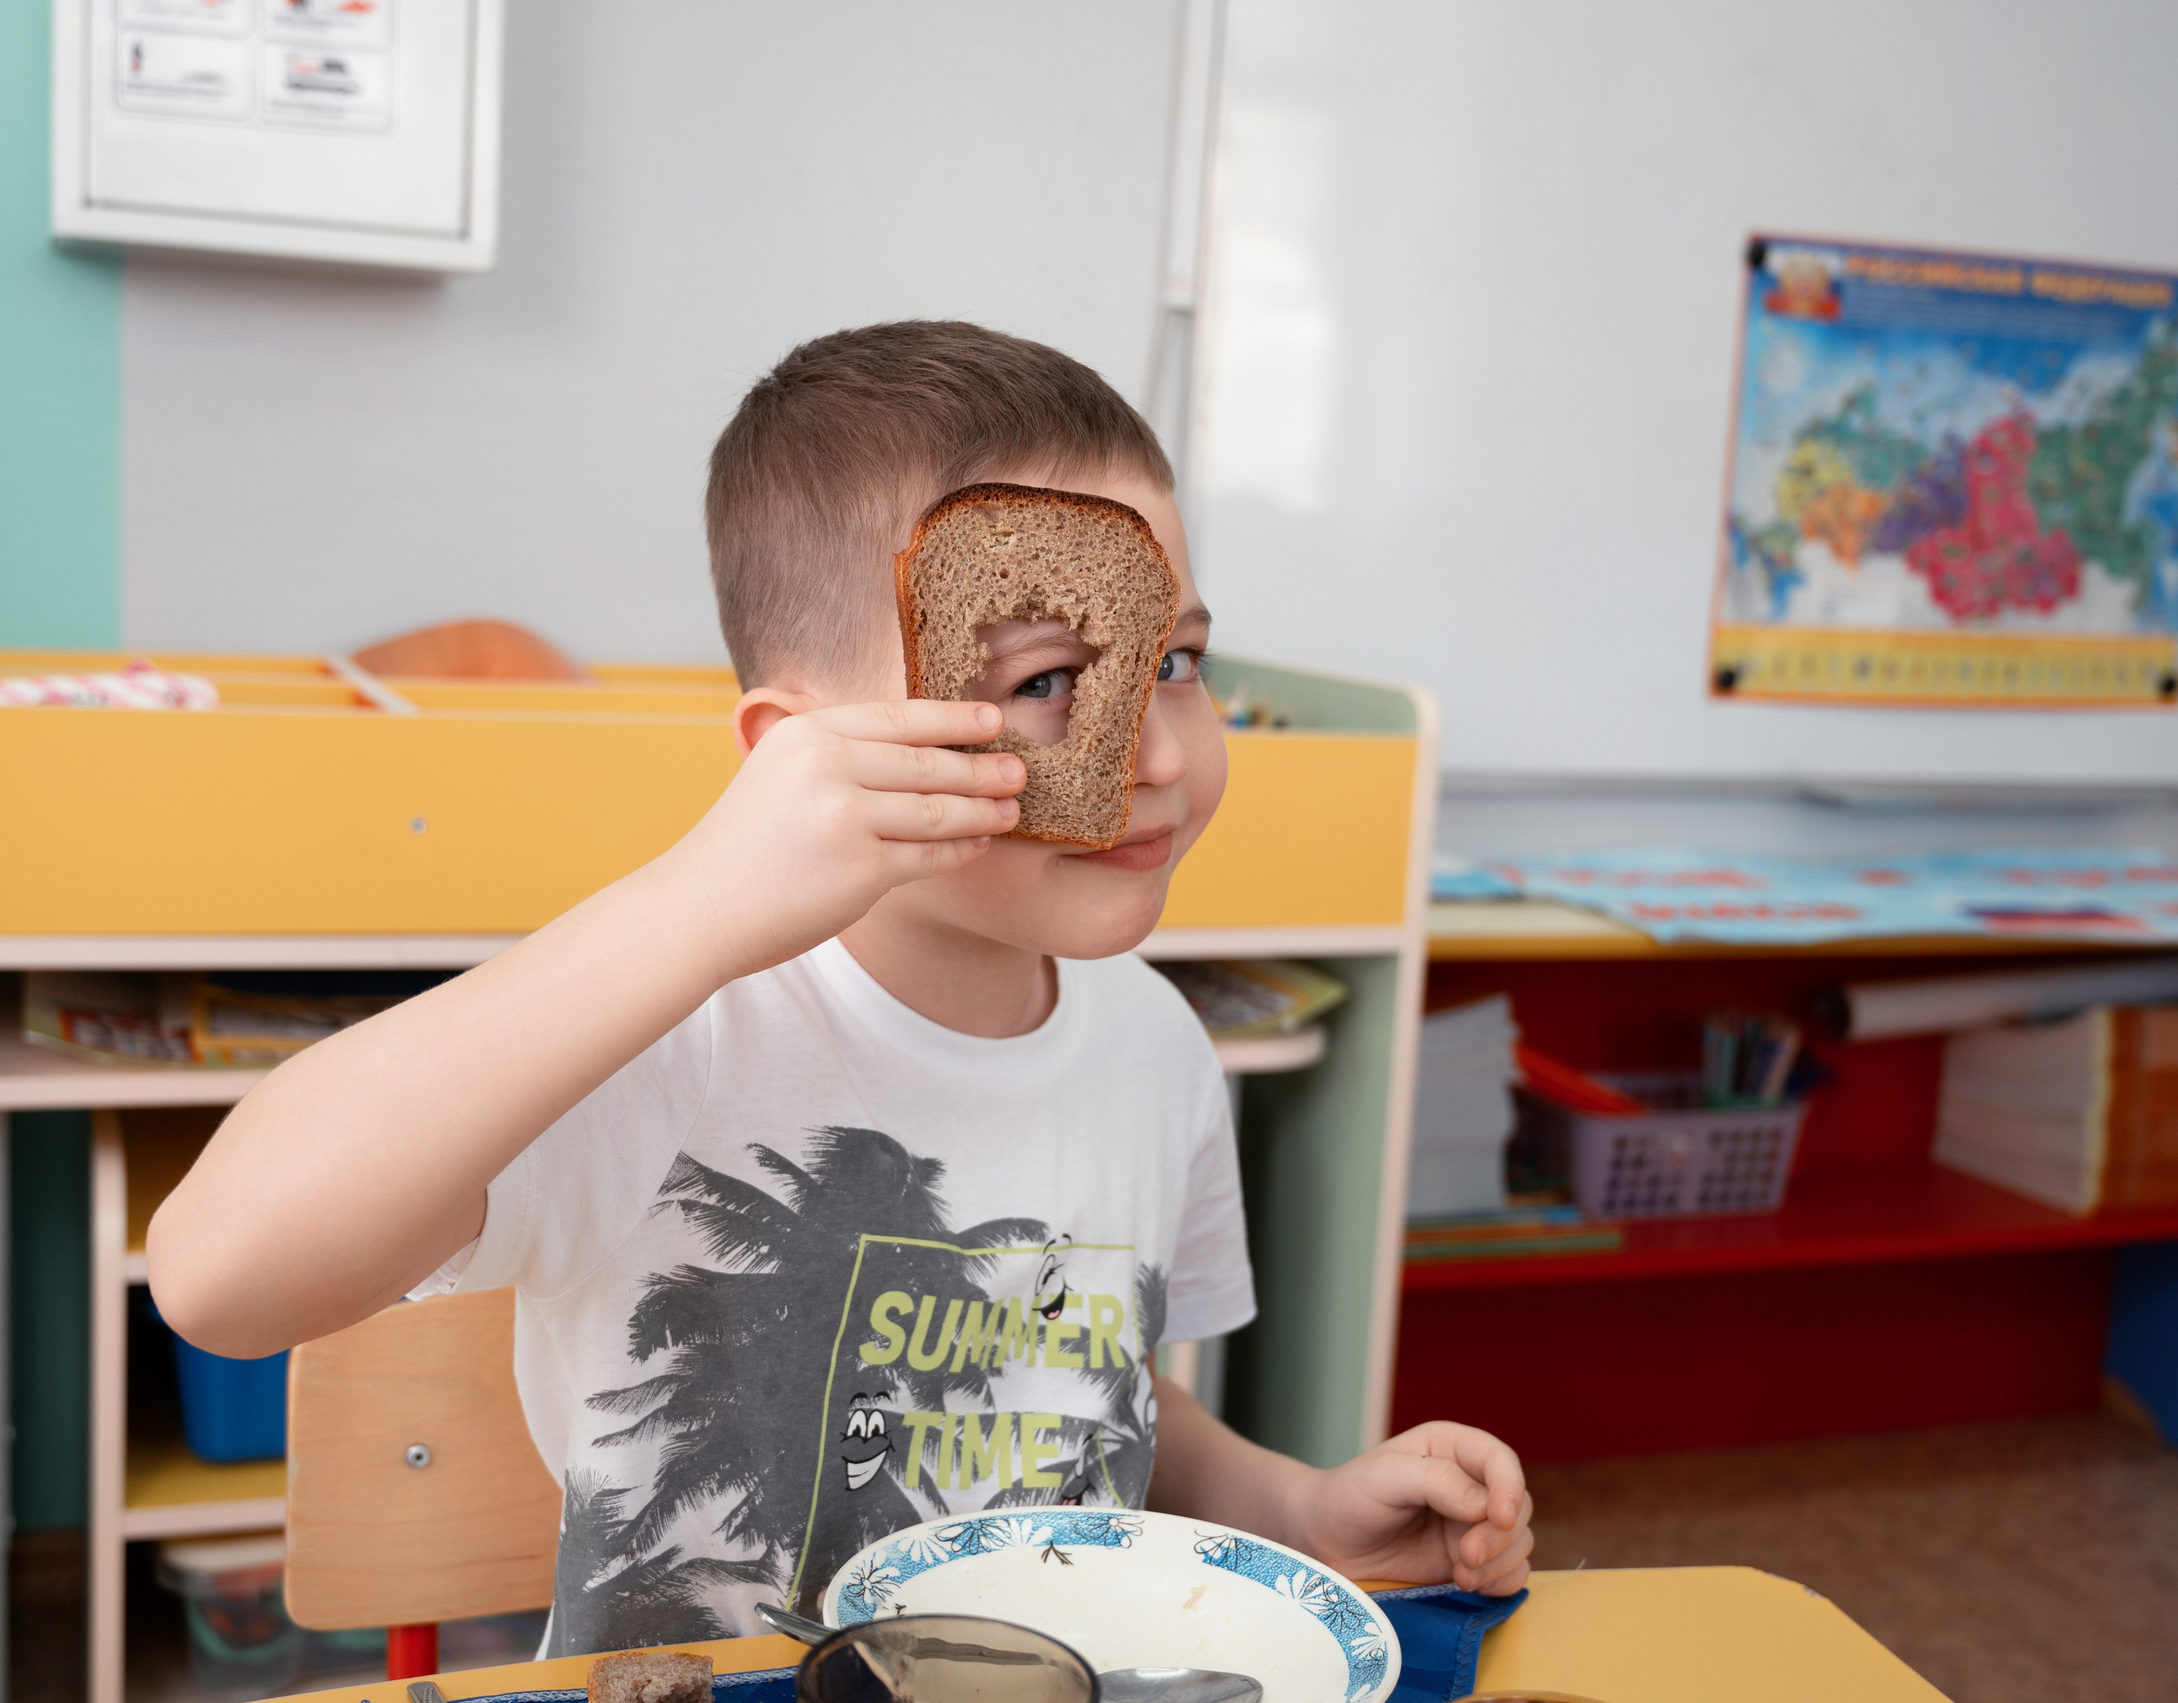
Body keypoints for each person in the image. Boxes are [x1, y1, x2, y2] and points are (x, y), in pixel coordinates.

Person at [149, 321, 1535, 1654]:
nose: (1159, 753)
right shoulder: (670, 1034)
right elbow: (221, 1280)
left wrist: (1296, 1508)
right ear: (793, 757)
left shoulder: (1155, 1046)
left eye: (1176, 662)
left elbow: (1082, 1398)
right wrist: (701, 900)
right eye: (1051, 679)